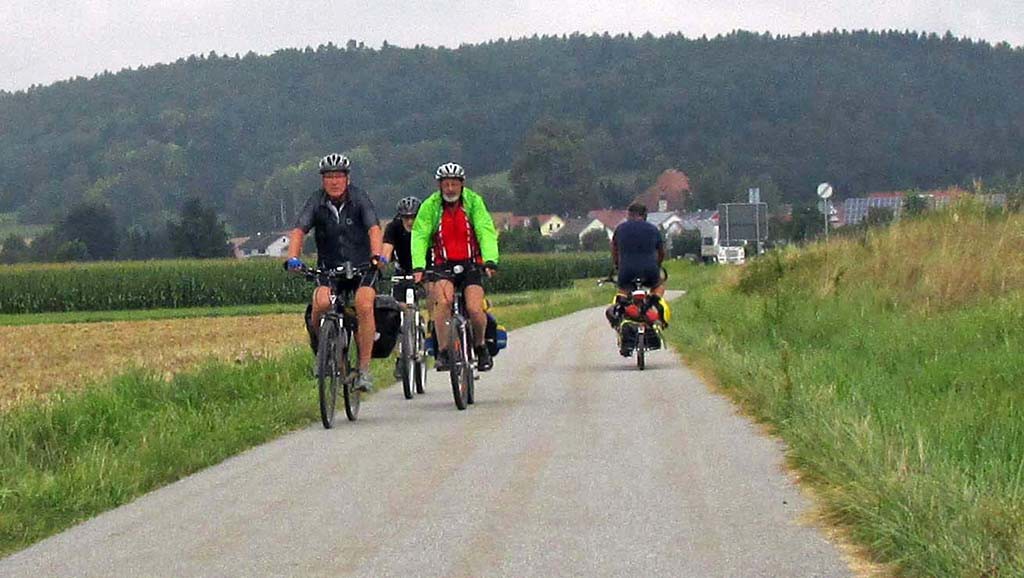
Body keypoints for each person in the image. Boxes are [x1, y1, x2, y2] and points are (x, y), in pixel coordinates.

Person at [284, 153, 386, 393]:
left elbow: (373, 228)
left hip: (362, 266)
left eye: (338, 176)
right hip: (329, 267)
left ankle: (363, 370)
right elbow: (299, 230)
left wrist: (376, 255)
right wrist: (293, 258)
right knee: (320, 303)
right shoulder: (316, 202)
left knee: (363, 303)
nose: (334, 181)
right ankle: (326, 353)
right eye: (329, 177)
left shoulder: (360, 198)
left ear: (347, 178)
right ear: (323, 180)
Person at [411, 162, 499, 372]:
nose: (450, 189)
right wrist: (419, 266)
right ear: (439, 186)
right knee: (443, 303)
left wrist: (490, 260)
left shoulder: (473, 202)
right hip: (444, 266)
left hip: (471, 264)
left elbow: (485, 231)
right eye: (446, 184)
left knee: (475, 308)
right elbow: (420, 235)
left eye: (454, 184)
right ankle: (443, 351)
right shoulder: (431, 206)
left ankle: (480, 346)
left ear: (462, 185)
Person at [606, 202, 666, 336]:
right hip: (650, 271)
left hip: (626, 272)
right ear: (645, 215)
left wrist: (617, 266)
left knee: (623, 291)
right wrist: (658, 265)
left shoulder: (620, 229)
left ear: (629, 215)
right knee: (659, 286)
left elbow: (615, 252)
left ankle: (622, 321)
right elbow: (661, 252)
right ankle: (651, 304)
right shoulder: (653, 229)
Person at [383, 195, 424, 379]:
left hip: (424, 269)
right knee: (397, 311)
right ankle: (401, 356)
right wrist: (381, 263)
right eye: (406, 217)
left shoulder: (425, 227)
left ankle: (430, 329)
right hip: (402, 271)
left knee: (434, 296)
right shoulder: (393, 228)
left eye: (413, 217)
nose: (410, 221)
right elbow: (386, 251)